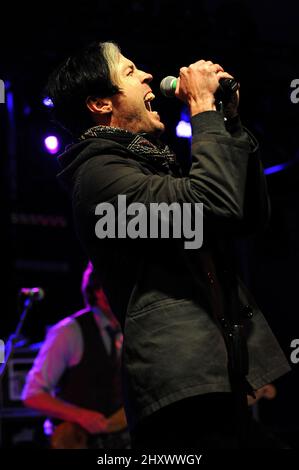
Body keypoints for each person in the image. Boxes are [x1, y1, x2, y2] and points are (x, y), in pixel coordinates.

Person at [46, 41, 291, 448]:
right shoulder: (97, 177)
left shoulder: (147, 160)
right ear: (100, 104)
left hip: (212, 374)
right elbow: (213, 206)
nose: (145, 75)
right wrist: (203, 110)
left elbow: (246, 217)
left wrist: (228, 122)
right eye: (128, 71)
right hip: (178, 385)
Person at [22, 262, 130, 449]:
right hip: (77, 441)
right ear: (99, 291)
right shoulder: (69, 331)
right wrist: (81, 416)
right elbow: (32, 394)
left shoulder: (127, 329)